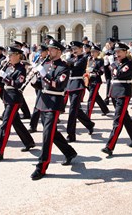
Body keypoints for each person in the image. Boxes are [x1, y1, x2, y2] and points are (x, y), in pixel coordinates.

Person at [30, 39, 77, 180]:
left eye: (52, 49)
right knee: (51, 132)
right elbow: (42, 85)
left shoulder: (64, 67)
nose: (48, 51)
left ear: (59, 51)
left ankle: (41, 166)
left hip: (54, 103)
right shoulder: (47, 63)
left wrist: (44, 75)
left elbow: (59, 85)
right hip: (43, 102)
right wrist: (35, 80)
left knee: (46, 136)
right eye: (48, 49)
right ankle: (69, 152)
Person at [0, 46, 35, 161]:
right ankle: (29, 142)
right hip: (7, 97)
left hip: (14, 99)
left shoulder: (21, 69)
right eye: (9, 55)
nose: (9, 57)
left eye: (11, 55)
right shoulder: (9, 67)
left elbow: (18, 84)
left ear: (18, 56)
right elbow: (3, 82)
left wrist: (6, 78)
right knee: (16, 122)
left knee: (5, 125)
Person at [101, 42, 132, 156]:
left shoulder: (129, 64)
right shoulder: (117, 63)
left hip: (123, 93)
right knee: (125, 117)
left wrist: (112, 65)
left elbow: (119, 73)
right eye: (116, 52)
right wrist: (107, 65)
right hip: (115, 92)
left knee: (118, 120)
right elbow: (109, 76)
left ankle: (110, 146)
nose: (117, 53)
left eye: (119, 51)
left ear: (125, 52)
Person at [64, 41, 94, 142]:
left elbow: (76, 66)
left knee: (72, 110)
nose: (74, 50)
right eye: (73, 49)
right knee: (77, 110)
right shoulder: (72, 58)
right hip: (70, 85)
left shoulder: (84, 58)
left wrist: (68, 61)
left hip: (78, 84)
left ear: (81, 48)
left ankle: (71, 134)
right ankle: (89, 124)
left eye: (76, 48)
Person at [29, 44, 49, 132]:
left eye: (41, 52)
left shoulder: (49, 61)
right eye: (39, 51)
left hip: (46, 85)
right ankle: (33, 126)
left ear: (46, 52)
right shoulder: (39, 59)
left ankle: (34, 126)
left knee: (40, 106)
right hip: (38, 83)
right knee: (38, 105)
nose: (40, 53)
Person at [85, 45, 110, 118]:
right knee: (96, 96)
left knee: (91, 98)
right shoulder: (89, 60)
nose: (92, 53)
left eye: (94, 52)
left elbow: (101, 72)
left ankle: (87, 115)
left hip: (96, 81)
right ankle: (105, 110)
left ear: (97, 52)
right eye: (91, 52)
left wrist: (94, 71)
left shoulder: (100, 61)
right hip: (89, 80)